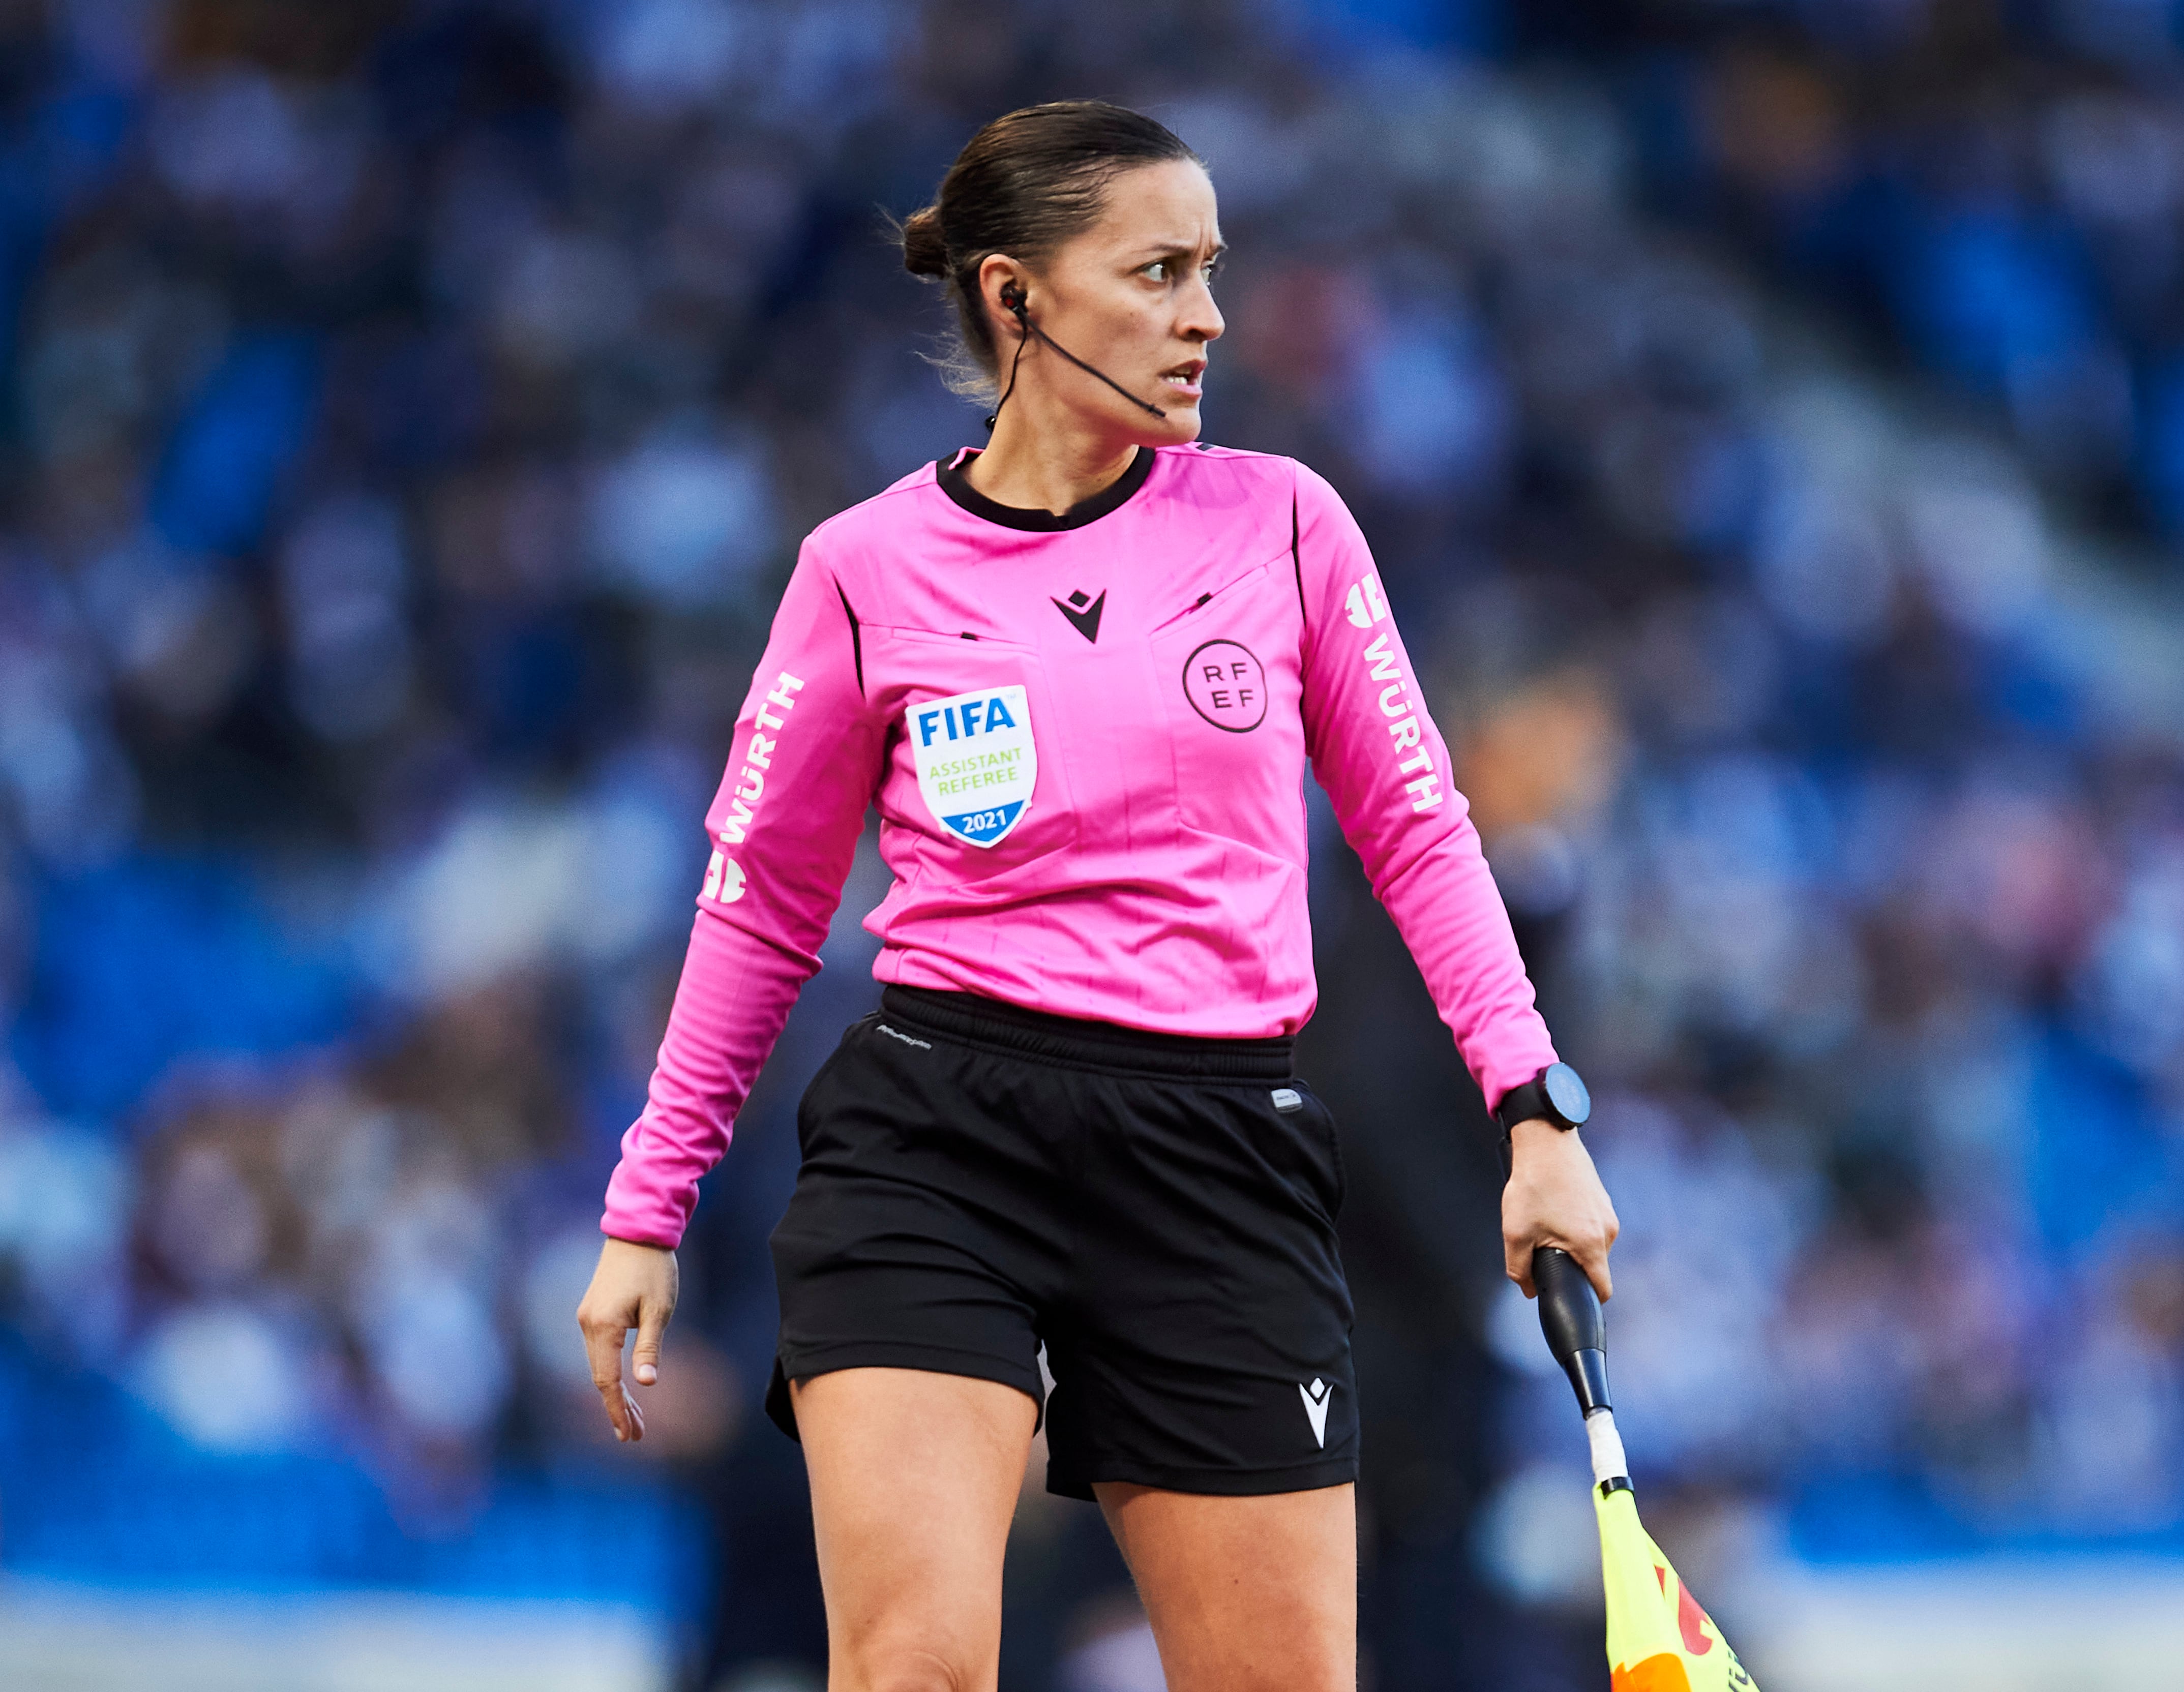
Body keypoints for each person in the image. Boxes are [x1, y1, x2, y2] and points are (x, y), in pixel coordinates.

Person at [576, 100, 1618, 1692]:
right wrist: (649, 1206)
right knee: (914, 1663)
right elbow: (760, 909)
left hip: (1217, 1156)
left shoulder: (1286, 525)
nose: (1209, 315)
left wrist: (1536, 1115)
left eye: (1211, 269)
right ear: (1016, 297)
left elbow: (1419, 830)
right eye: (1159, 272)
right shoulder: (863, 570)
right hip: (935, 1144)